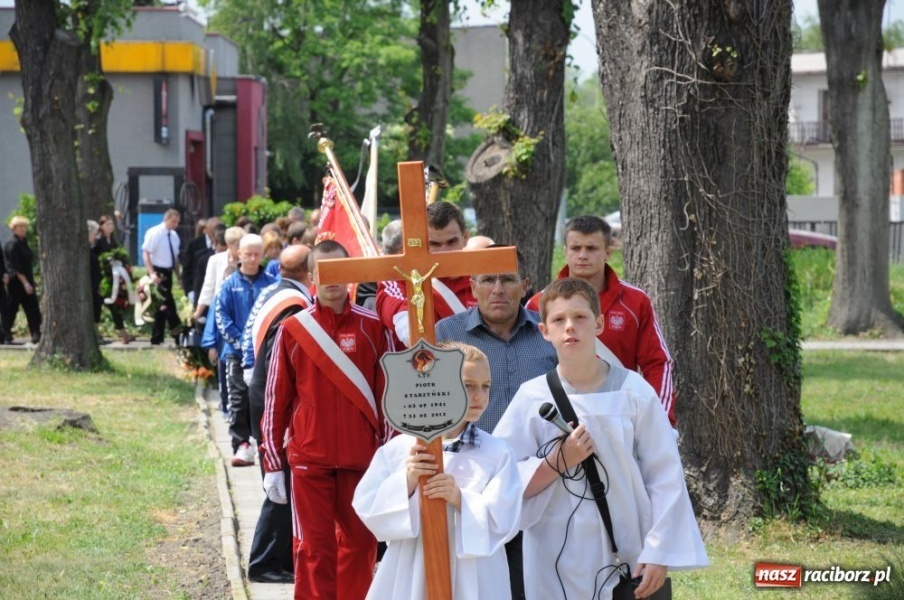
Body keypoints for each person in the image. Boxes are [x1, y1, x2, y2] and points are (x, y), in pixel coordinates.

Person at [495, 278, 708, 600]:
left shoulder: (633, 392)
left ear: (599, 323)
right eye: (558, 320)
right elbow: (504, 476)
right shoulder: (531, 398)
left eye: (580, 317)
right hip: (556, 556)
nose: (570, 327)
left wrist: (659, 550)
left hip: (629, 549)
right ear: (544, 332)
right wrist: (557, 461)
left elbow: (664, 476)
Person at [260, 240, 394, 600]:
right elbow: (275, 401)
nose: (333, 279)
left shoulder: (374, 327)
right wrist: (272, 463)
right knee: (312, 551)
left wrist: (390, 457)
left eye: (340, 269)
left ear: (351, 274)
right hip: (309, 463)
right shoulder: (293, 329)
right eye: (324, 270)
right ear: (311, 276)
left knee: (360, 549)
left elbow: (390, 398)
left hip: (362, 463)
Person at [353, 342, 523, 600]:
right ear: (439, 386)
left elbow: (506, 518)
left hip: (475, 572)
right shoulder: (401, 450)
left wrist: (460, 498)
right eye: (468, 386)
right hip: (412, 564)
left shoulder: (497, 453)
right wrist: (406, 482)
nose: (480, 396)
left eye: (485, 386)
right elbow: (367, 506)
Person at [435, 247, 557, 599]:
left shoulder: (546, 335)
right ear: (472, 286)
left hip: (537, 480)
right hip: (469, 478)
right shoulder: (449, 333)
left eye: (508, 279)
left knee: (530, 584)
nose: (498, 289)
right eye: (488, 279)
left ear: (525, 285)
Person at [525, 215, 678, 427]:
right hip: (560, 417)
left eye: (591, 248)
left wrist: (660, 420)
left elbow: (657, 363)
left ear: (607, 252)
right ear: (565, 252)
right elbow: (528, 366)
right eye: (576, 248)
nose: (582, 255)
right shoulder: (537, 304)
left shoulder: (635, 301)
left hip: (623, 414)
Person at [240, 244, 313, 584]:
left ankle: (279, 558)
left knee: (283, 481)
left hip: (265, 398)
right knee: (280, 482)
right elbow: (277, 365)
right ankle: (265, 562)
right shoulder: (293, 306)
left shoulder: (279, 293)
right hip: (274, 403)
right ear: (307, 273)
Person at [376, 201, 476, 346]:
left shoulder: (484, 278)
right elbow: (406, 329)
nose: (444, 252)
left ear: (465, 238)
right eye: (434, 244)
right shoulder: (400, 278)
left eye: (451, 242)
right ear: (421, 243)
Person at [216, 234, 277, 467]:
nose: (252, 259)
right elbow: (222, 318)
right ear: (238, 254)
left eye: (256, 254)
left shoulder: (271, 283)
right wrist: (243, 344)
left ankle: (263, 440)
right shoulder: (229, 285)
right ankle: (241, 443)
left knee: (264, 399)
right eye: (248, 254)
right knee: (238, 399)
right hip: (235, 353)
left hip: (265, 353)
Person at [141, 208, 184, 345]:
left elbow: (175, 259)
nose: (175, 225)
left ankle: (157, 337)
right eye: (173, 221)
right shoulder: (155, 233)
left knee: (161, 307)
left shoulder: (174, 236)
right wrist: (152, 273)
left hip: (168, 271)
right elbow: (146, 253)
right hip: (157, 271)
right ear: (166, 219)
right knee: (167, 304)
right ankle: (178, 331)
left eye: (177, 222)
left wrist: (179, 276)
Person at [95, 215, 135, 344]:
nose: (110, 227)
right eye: (107, 224)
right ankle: (97, 334)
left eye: (111, 224)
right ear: (101, 226)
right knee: (98, 306)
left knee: (114, 306)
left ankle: (123, 334)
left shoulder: (112, 239)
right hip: (101, 278)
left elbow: (119, 253)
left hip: (113, 278)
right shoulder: (99, 241)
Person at [5, 215, 41, 344]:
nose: (23, 229)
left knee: (33, 308)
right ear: (14, 228)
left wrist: (31, 280)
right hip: (17, 282)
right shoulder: (12, 244)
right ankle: (5, 334)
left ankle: (36, 333)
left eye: (24, 226)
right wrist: (25, 283)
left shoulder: (23, 242)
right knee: (11, 309)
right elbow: (15, 266)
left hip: (27, 279)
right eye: (20, 226)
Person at [180, 217, 220, 305]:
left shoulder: (222, 243)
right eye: (212, 231)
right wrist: (190, 291)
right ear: (206, 230)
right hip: (199, 287)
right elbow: (187, 269)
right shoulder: (194, 244)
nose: (214, 234)